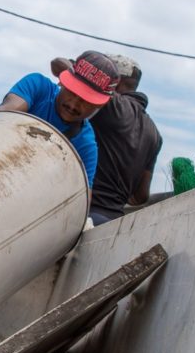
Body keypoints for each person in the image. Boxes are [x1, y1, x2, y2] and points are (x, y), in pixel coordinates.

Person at [0, 50, 121, 188]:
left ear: (98, 106)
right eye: (72, 92)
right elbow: (6, 113)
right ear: (63, 83)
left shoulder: (85, 144)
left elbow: (81, 197)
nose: (74, 104)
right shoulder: (38, 87)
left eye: (86, 100)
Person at [51, 53, 161, 224]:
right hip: (113, 222)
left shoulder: (111, 105)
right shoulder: (155, 135)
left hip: (80, 217)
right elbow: (141, 196)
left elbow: (60, 65)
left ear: (115, 83)